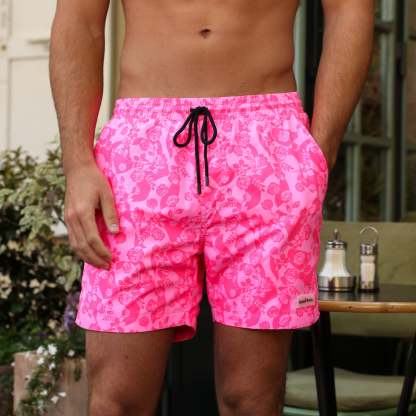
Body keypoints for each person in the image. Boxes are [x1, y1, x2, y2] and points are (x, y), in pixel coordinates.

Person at [49, 1, 374, 415]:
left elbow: (350, 10)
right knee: (117, 401)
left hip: (266, 143)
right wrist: (77, 164)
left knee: (251, 401)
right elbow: (79, 20)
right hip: (143, 147)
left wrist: (317, 153)